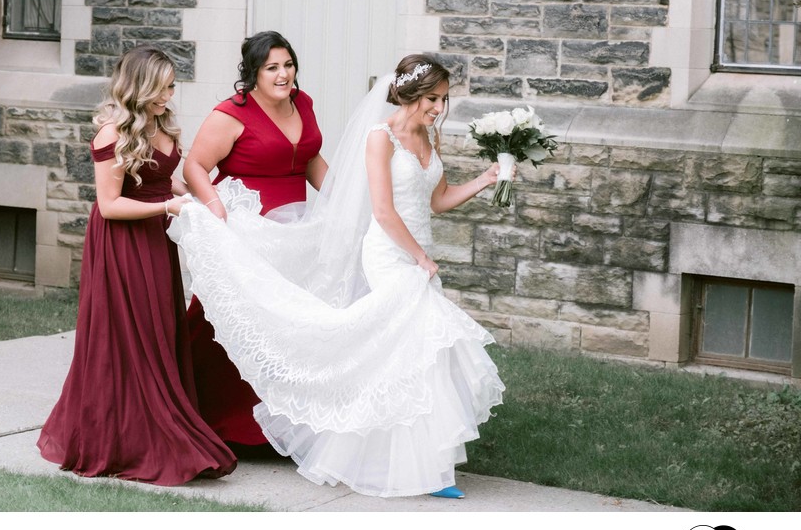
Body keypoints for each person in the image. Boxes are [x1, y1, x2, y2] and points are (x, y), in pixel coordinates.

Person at [169, 53, 507, 498]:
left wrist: (486, 179)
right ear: (408, 94)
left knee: (413, 356)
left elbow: (438, 200)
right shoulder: (379, 137)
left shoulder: (428, 137)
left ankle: (419, 463)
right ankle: (426, 469)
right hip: (391, 254)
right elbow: (383, 212)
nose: (438, 108)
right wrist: (418, 257)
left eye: (443, 100)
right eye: (432, 99)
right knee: (416, 349)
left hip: (417, 253)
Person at [37, 45, 236, 485]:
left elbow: (170, 180)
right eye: (163, 87)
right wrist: (170, 206)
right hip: (123, 241)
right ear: (141, 85)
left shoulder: (162, 125)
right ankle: (124, 439)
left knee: (159, 329)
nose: (169, 94)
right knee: (129, 334)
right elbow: (108, 206)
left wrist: (211, 201)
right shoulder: (113, 133)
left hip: (157, 237)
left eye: (171, 86)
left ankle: (154, 425)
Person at [182, 31, 328, 448]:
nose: (283, 74)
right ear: (253, 73)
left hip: (297, 232)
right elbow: (194, 166)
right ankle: (215, 420)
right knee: (234, 324)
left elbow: (310, 158)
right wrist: (214, 207)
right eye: (272, 68)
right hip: (249, 230)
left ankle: (286, 425)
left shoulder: (304, 103)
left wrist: (343, 200)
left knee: (291, 326)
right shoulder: (230, 114)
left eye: (288, 64)